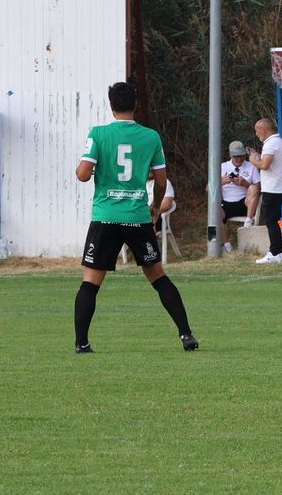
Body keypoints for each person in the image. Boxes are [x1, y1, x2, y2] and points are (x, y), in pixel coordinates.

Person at [73, 81, 197, 353]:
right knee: (159, 278)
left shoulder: (98, 133)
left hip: (106, 216)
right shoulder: (150, 137)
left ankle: (82, 343)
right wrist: (155, 207)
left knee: (91, 282)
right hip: (137, 217)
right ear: (135, 105)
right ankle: (186, 335)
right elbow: (161, 181)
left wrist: (93, 168)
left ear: (111, 105)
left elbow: (82, 175)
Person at [250, 118, 282, 264]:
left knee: (270, 220)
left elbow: (264, 165)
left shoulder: (271, 143)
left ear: (263, 130)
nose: (256, 134)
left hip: (273, 188)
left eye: (257, 130)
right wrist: (257, 155)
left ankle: (275, 252)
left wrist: (252, 160)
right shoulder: (277, 141)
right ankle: (278, 250)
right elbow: (267, 161)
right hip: (276, 187)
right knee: (272, 220)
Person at [219, 140, 260, 252]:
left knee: (253, 187)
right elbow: (208, 189)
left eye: (241, 156)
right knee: (215, 212)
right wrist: (221, 182)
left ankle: (249, 220)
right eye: (236, 156)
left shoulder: (251, 166)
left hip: (245, 202)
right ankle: (226, 245)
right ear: (230, 155)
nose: (239, 159)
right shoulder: (222, 167)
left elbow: (258, 188)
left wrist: (245, 184)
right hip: (227, 202)